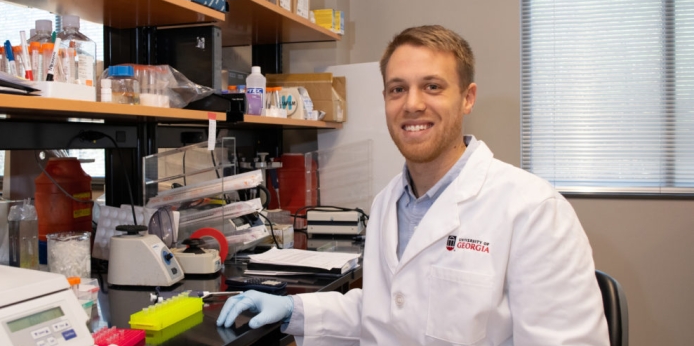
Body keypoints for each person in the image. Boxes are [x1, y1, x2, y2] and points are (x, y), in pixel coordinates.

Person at [217, 25, 610, 345]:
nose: (412, 104)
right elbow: (387, 312)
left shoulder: (534, 209)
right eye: (397, 89)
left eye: (433, 87)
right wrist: (295, 311)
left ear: (468, 99)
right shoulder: (389, 201)